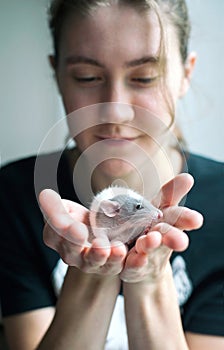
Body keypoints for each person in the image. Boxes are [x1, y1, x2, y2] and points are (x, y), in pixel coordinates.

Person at [0, 0, 224, 349]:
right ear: (57, 74)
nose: (115, 109)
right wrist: (91, 273)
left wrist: (149, 278)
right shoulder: (11, 196)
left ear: (186, 74)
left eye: (144, 78)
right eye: (87, 77)